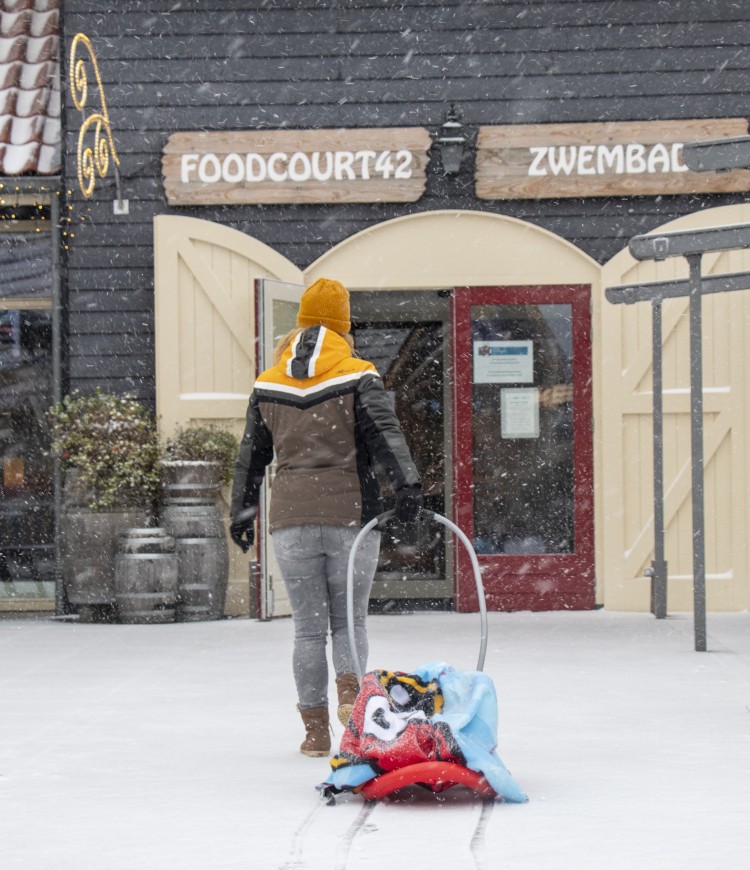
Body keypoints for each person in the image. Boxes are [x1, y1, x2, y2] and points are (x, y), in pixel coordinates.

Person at [230, 277, 423, 757]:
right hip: (349, 516)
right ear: (344, 325)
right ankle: (350, 703)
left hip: (291, 518)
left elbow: (251, 456)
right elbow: (385, 434)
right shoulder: (359, 374)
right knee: (349, 622)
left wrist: (242, 510)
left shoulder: (268, 381)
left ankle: (315, 732)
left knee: (307, 629)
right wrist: (408, 488)